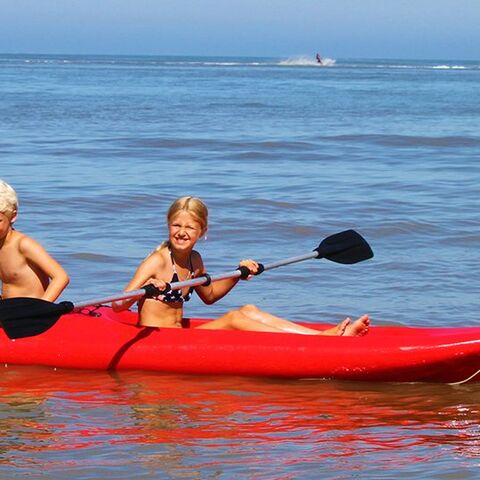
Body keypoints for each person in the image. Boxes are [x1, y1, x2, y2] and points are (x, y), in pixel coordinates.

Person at [113, 196, 369, 336]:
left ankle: (318, 337)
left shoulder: (195, 260)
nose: (181, 232)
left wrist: (238, 274)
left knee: (248, 309)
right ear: (168, 226)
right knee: (235, 318)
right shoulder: (157, 260)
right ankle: (325, 341)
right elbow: (117, 305)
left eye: (189, 227)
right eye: (176, 226)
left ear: (202, 231)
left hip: (178, 336)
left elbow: (210, 296)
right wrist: (147, 287)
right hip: (158, 340)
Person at [0, 179, 69, 301]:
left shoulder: (23, 244)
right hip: (9, 310)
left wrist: (42, 308)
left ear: (13, 216)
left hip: (31, 311)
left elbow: (61, 277)